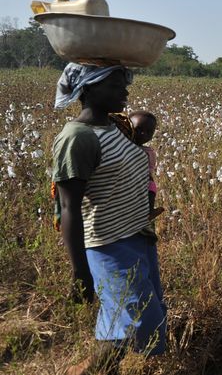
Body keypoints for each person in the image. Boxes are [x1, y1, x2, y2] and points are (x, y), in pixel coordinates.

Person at [52, 63, 167, 375]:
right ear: (89, 89)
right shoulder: (77, 138)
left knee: (126, 322)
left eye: (124, 83)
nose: (125, 92)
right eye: (116, 85)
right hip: (107, 247)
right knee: (133, 325)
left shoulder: (117, 127)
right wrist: (80, 273)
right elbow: (69, 208)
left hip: (138, 239)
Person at [129, 110, 164, 221]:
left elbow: (149, 170)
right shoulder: (122, 147)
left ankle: (149, 211)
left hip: (143, 180)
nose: (144, 134)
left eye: (149, 132)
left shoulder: (149, 152)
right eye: (138, 129)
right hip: (128, 182)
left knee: (151, 189)